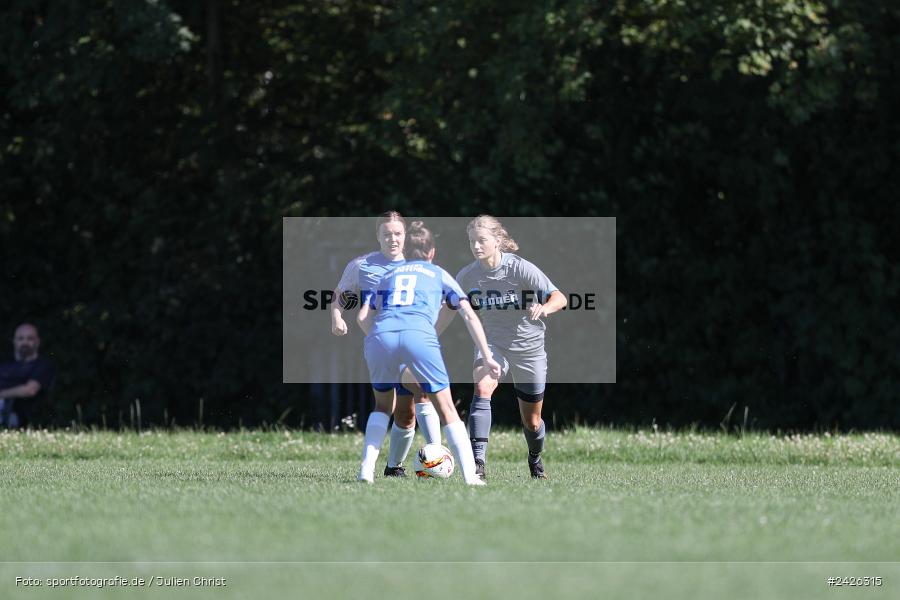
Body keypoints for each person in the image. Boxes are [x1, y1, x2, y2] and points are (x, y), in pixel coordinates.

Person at [356, 221, 501, 485]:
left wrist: (377, 340)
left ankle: (366, 471)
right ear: (431, 252)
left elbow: (363, 316)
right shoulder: (439, 274)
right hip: (419, 336)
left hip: (381, 337)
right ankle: (471, 478)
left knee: (381, 407)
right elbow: (468, 314)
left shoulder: (388, 276)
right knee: (447, 409)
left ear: (404, 250)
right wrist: (487, 355)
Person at [455, 215, 567, 479]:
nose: (476, 246)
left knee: (532, 421)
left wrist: (545, 307)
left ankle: (535, 458)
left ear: (498, 241)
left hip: (530, 350)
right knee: (483, 387)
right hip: (493, 344)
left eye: (482, 240)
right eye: (472, 241)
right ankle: (477, 465)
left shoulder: (520, 269)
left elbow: (559, 297)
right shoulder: (467, 276)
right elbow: (451, 306)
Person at [331, 211, 441, 477]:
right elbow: (340, 297)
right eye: (387, 234)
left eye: (398, 234)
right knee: (419, 391)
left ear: (405, 236)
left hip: (412, 341)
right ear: (377, 236)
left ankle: (393, 468)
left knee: (406, 414)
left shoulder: (416, 264)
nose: (393, 239)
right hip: (382, 343)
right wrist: (336, 317)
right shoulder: (362, 265)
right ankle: (438, 454)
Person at [0, 323, 56, 428]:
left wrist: (2, 394)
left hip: (19, 416)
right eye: (20, 338)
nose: (25, 342)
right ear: (14, 341)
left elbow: (30, 390)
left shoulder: (43, 366)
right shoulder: (4, 365)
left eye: (30, 338)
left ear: (38, 342)